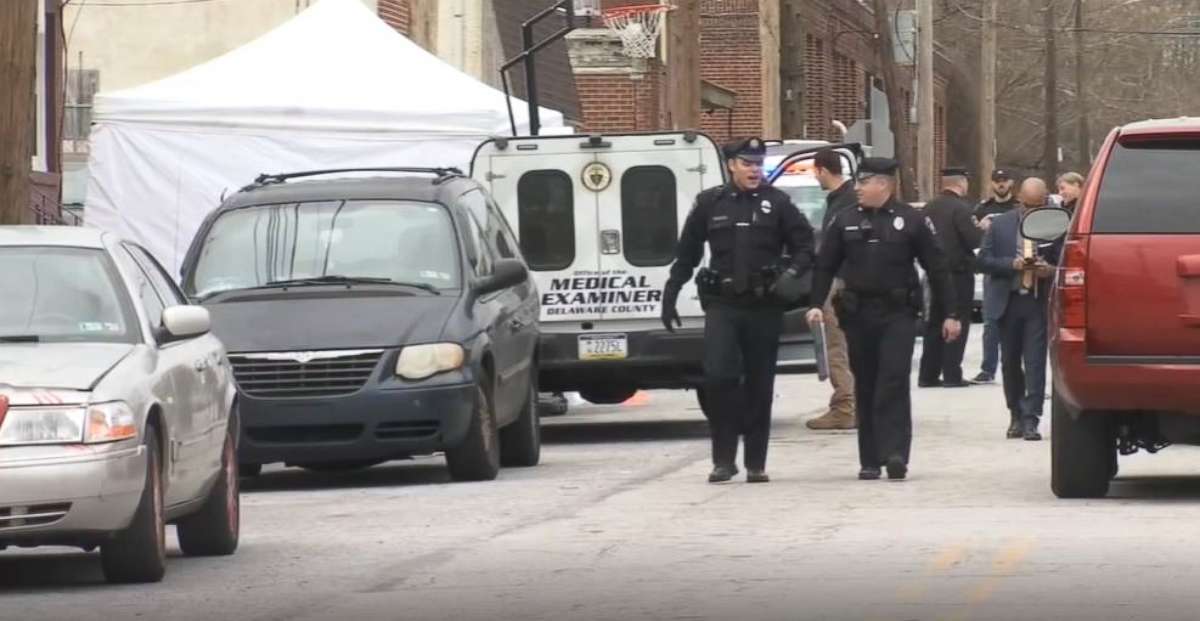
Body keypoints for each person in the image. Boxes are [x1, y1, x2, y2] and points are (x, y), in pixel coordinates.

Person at [662, 137, 816, 484]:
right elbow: (687, 252)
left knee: (760, 385)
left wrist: (790, 275)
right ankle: (723, 459)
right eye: (747, 164)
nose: (754, 170)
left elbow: (806, 245)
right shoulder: (710, 203)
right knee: (719, 378)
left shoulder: (777, 203)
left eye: (758, 164)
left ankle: (755, 463)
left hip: (763, 306)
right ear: (731, 165)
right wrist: (671, 293)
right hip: (724, 305)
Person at [806, 157, 961, 481]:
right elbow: (825, 265)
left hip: (898, 314)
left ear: (884, 185)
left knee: (893, 378)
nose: (858, 188)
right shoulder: (845, 220)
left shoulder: (911, 220)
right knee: (866, 382)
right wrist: (815, 303)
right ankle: (870, 459)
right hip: (857, 313)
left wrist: (950, 313)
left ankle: (895, 453)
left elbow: (937, 268)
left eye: (864, 182)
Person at [977, 178, 1060, 441]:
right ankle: (1015, 412)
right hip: (1007, 301)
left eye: (1038, 205)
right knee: (1010, 362)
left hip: (1036, 301)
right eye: (1027, 206)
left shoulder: (1055, 225)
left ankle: (1031, 417)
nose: (1032, 212)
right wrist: (1010, 265)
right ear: (1019, 200)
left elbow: (1066, 262)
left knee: (1035, 362)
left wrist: (1050, 271)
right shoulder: (1000, 225)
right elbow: (982, 261)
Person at [806, 149, 858, 431]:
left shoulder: (842, 204)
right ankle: (857, 405)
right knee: (850, 346)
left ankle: (844, 406)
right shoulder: (848, 199)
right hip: (850, 282)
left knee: (837, 346)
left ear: (822, 170)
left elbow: (831, 251)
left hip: (840, 282)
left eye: (816, 172)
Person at [918, 167, 983, 388]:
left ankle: (928, 374)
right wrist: (982, 229)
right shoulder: (960, 209)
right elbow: (973, 240)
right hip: (958, 273)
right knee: (957, 321)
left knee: (934, 323)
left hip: (933, 273)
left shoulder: (928, 208)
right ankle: (952, 374)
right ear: (961, 183)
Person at [971, 169, 1020, 385]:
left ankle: (1019, 370)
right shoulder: (982, 208)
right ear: (991, 184)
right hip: (993, 270)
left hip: (1019, 270)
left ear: (1011, 182)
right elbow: (975, 242)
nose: (1000, 184)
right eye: (997, 181)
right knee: (991, 323)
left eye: (1004, 180)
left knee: (1020, 324)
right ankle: (987, 368)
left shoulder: (1019, 207)